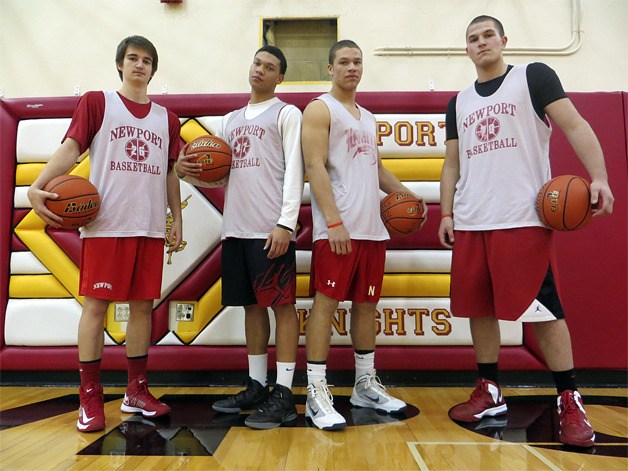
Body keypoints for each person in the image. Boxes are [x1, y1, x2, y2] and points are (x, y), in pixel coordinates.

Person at [438, 16, 614, 448]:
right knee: (478, 309)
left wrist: (599, 177)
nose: (481, 43)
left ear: (503, 40)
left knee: (546, 313)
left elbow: (574, 124)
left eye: (487, 36)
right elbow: (452, 164)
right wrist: (446, 214)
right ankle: (490, 389)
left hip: (523, 220)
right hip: (473, 218)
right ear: (467, 50)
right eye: (473, 39)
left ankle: (569, 398)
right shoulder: (458, 101)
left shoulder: (532, 76)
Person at [27, 36, 183, 433]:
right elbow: (70, 149)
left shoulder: (167, 117)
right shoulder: (98, 102)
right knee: (96, 307)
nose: (140, 65)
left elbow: (169, 171)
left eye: (147, 60)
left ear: (153, 69)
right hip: (106, 226)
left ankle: (136, 389)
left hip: (147, 225)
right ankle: (90, 395)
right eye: (133, 58)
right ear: (120, 64)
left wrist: (175, 217)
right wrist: (37, 185)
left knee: (143, 308)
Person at [301, 39, 427, 431]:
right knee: (325, 305)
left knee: (366, 306)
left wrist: (406, 195)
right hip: (338, 228)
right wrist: (334, 221)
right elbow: (315, 167)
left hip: (372, 229)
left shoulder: (368, 117)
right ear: (330, 68)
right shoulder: (320, 109)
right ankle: (316, 392)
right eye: (343, 62)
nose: (351, 67)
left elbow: (377, 170)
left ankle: (364, 385)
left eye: (357, 62)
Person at [175, 46, 304, 430]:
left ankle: (283, 393)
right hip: (235, 228)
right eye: (257, 63)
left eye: (270, 67)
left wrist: (287, 223)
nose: (260, 70)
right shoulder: (229, 120)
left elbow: (295, 170)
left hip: (271, 229)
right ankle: (256, 384)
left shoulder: (287, 114)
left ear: (280, 78)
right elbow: (221, 175)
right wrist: (185, 173)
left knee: (282, 306)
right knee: (251, 307)